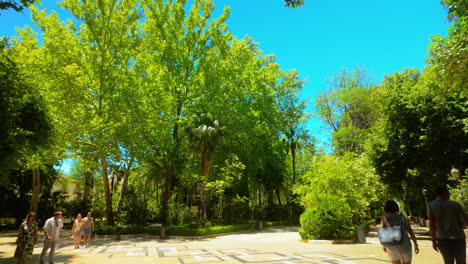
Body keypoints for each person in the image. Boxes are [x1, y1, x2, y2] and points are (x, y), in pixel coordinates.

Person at [428, 185, 468, 264]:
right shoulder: (456, 204)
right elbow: (466, 222)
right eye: (448, 192)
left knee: (448, 262)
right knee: (461, 261)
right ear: (445, 193)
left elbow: (431, 224)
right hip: (458, 237)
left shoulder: (431, 206)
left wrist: (433, 240)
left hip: (442, 238)